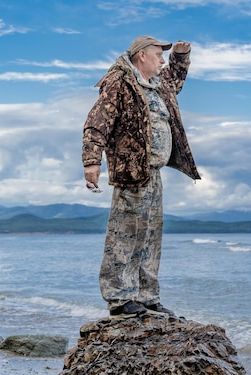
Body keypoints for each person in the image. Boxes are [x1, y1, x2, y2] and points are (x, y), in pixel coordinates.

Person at [82, 35, 201, 317]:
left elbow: (175, 80)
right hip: (131, 173)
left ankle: (147, 297)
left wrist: (181, 57)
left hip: (154, 174)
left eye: (164, 56)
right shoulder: (119, 83)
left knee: (150, 238)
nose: (162, 60)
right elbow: (96, 123)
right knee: (125, 237)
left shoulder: (157, 85)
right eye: (159, 55)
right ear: (142, 56)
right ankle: (120, 299)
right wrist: (91, 161)